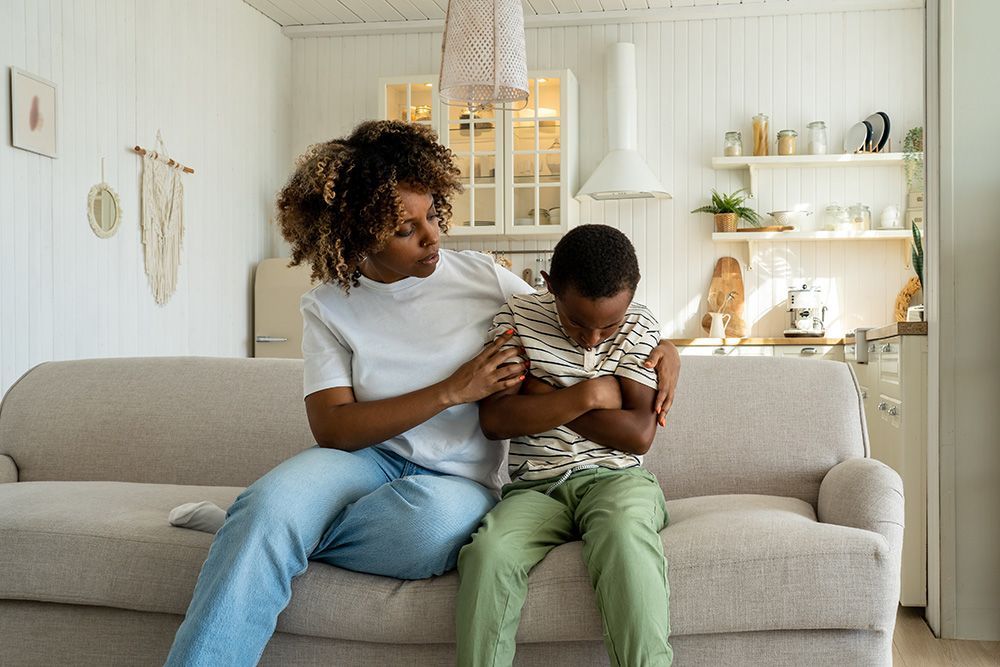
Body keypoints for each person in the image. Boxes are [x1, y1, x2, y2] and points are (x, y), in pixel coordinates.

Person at [164, 120, 680, 666]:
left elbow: (573, 320)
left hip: (453, 481)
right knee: (270, 504)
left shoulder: (482, 278)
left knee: (424, 531)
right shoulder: (327, 306)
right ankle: (263, 531)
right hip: (361, 462)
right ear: (357, 233)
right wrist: (451, 391)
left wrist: (667, 346)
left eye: (432, 214)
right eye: (405, 229)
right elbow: (334, 428)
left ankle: (263, 538)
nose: (432, 235)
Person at [455, 224, 673, 666]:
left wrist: (541, 395)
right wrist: (589, 395)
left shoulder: (639, 324)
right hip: (537, 487)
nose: (592, 339)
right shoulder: (515, 318)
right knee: (489, 553)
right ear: (550, 286)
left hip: (618, 481)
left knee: (624, 535)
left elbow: (637, 434)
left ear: (631, 297)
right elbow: (496, 420)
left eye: (608, 326)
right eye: (576, 321)